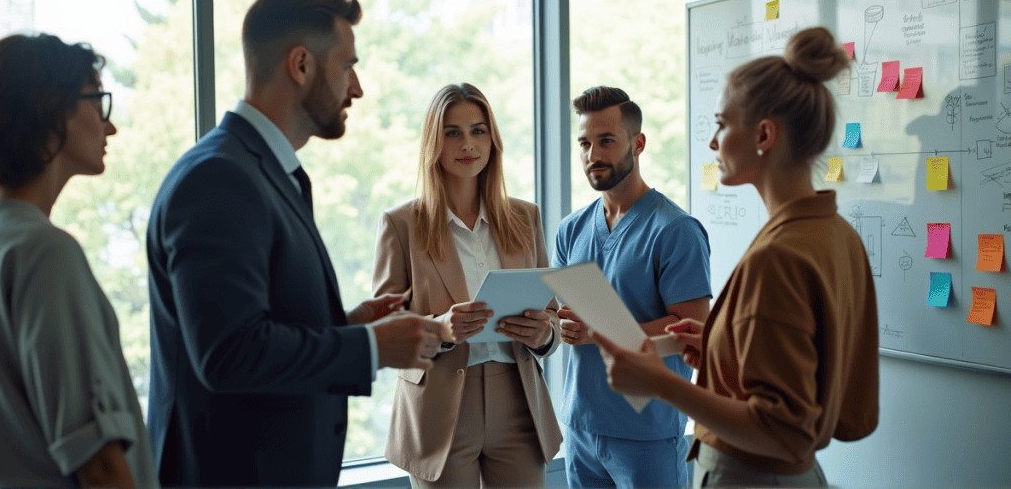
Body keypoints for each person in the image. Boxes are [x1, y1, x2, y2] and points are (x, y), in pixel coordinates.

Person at [146, 0, 442, 487]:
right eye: (347, 66)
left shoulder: (261, 172)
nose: (358, 88)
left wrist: (345, 326)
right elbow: (229, 354)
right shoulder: (219, 179)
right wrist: (369, 347)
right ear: (301, 65)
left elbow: (253, 326)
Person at [591, 27, 879, 488]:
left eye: (722, 124)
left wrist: (663, 383)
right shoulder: (836, 233)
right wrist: (722, 348)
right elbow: (811, 370)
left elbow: (784, 431)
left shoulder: (779, 256)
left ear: (764, 134)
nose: (712, 143)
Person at [0, 33, 158, 487]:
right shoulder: (45, 252)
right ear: (51, 109)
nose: (111, 126)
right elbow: (99, 463)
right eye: (98, 101)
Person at [372, 83, 563, 488]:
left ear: (493, 140)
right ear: (433, 141)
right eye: (452, 132)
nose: (468, 145)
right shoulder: (401, 224)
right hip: (439, 410)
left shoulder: (525, 218)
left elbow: (552, 314)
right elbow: (383, 331)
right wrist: (440, 330)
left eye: (478, 131)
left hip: (518, 401)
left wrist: (546, 333)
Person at [554, 86, 713, 489]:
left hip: (647, 431)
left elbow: (691, 333)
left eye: (606, 141)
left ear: (638, 143)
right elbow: (559, 314)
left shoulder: (676, 231)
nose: (593, 155)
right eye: (585, 143)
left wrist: (599, 333)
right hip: (581, 426)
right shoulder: (570, 229)